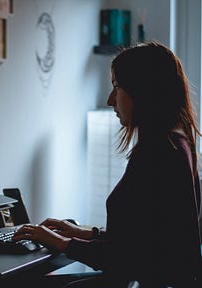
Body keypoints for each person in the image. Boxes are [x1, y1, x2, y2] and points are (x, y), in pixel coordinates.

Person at [13, 41, 202, 287]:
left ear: (143, 90)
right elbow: (145, 238)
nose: (110, 99)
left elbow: (128, 258)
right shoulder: (177, 142)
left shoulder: (159, 151)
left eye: (116, 87)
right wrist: (86, 233)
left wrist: (60, 242)